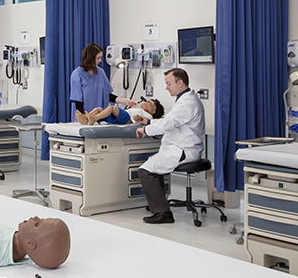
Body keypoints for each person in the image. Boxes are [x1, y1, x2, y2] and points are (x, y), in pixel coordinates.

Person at [134, 68, 205, 224]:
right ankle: (159, 204)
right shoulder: (185, 99)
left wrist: (146, 129)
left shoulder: (187, 103)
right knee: (154, 166)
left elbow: (168, 123)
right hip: (185, 148)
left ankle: (162, 212)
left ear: (180, 83)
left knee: (145, 170)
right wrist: (150, 122)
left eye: (168, 83)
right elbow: (170, 120)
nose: (166, 87)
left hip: (184, 150)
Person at [69, 43, 137, 121]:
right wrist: (82, 119)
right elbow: (78, 101)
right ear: (90, 58)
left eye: (100, 57)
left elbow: (107, 95)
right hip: (83, 117)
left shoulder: (100, 73)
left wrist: (126, 101)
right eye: (98, 58)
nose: (100, 60)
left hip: (99, 117)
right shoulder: (77, 74)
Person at [75, 97, 164, 126]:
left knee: (112, 108)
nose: (147, 102)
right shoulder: (141, 110)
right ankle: (85, 119)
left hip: (127, 118)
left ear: (154, 111)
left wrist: (137, 118)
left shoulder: (150, 117)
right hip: (123, 116)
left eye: (150, 103)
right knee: (98, 109)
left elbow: (142, 120)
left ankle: (94, 118)